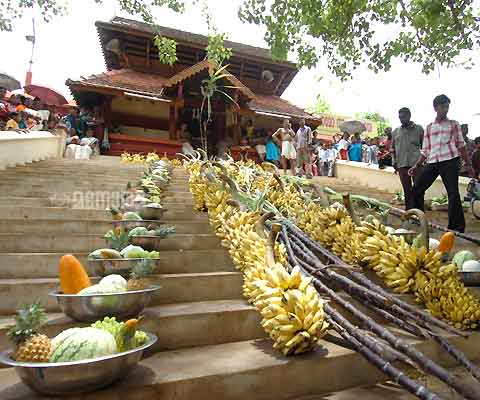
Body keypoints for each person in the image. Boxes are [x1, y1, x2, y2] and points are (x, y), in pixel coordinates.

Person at [409, 94, 474, 232]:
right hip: (433, 162)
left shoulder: (453, 124)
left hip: (450, 161)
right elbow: (426, 150)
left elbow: (461, 145)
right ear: (435, 108)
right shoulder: (429, 127)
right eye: (443, 107)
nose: (445, 109)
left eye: (447, 107)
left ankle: (456, 227)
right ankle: (419, 219)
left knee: (453, 193)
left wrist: (468, 165)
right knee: (417, 189)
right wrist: (417, 165)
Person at [391, 107, 424, 210]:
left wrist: (423, 162)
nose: (401, 119)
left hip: (416, 164)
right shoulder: (396, 131)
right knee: (407, 190)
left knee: (418, 188)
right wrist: (394, 161)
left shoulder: (418, 129)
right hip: (402, 165)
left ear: (409, 116)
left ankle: (419, 211)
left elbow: (425, 147)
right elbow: (392, 148)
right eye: (400, 117)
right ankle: (409, 212)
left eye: (404, 117)